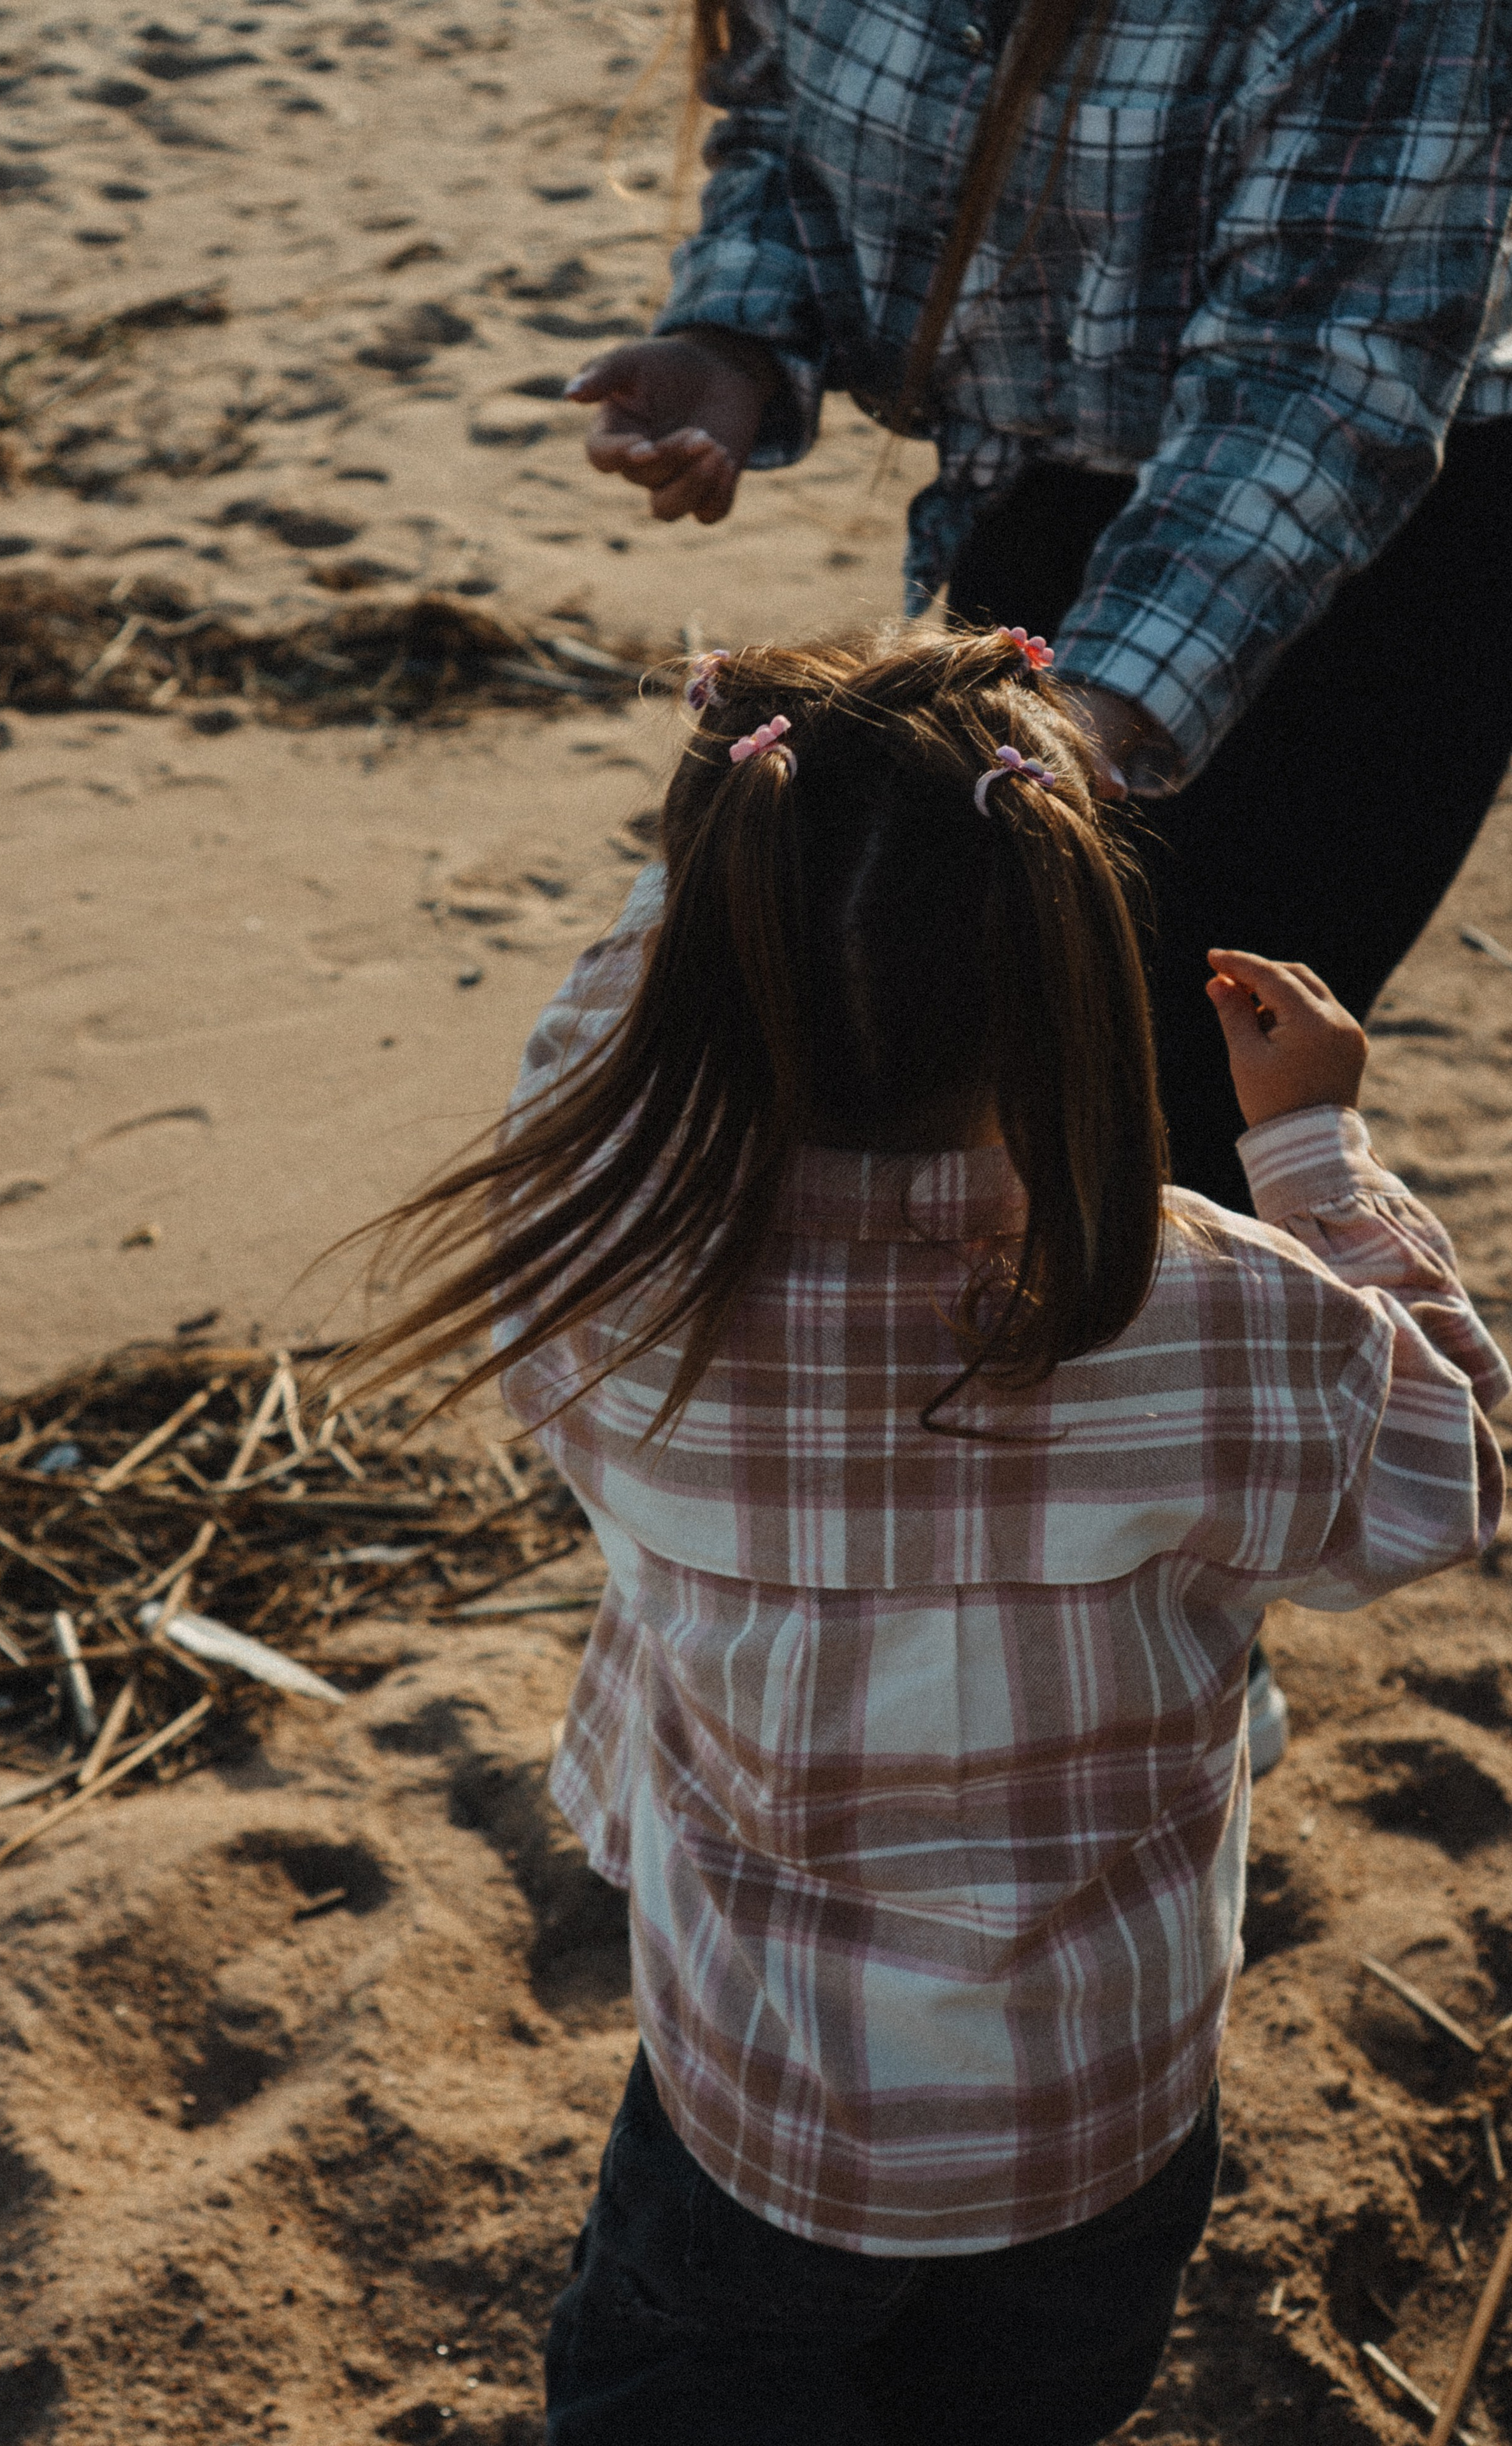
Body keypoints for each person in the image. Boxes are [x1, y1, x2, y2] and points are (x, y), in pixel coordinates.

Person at [338, 632, 1508, 2445]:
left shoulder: (604, 1276)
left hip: (769, 2105)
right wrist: (1320, 1160)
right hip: (1101, 2109)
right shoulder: (1221, 1316)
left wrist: (741, 837)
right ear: (1067, 988)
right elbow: (1446, 1479)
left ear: (706, 968)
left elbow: (601, 1024)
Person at [564, 0, 1512, 1212]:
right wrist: (737, 340)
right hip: (1028, 520)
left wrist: (1088, 718)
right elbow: (784, 123)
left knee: (1171, 1138)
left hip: (1353, 575)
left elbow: (1324, 372)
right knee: (971, 1108)